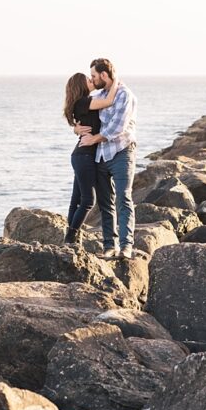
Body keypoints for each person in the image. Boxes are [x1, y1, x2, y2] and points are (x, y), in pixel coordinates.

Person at [75, 57, 138, 260]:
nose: (92, 80)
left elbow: (117, 127)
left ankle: (126, 246)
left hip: (121, 151)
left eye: (94, 75)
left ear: (104, 75)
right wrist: (76, 128)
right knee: (104, 203)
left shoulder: (124, 95)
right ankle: (109, 247)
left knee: (123, 197)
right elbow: (84, 118)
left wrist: (94, 138)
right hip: (101, 153)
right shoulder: (101, 95)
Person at [62, 71, 119, 247]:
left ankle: (70, 238)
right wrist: (115, 80)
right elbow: (109, 101)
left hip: (81, 155)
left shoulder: (81, 103)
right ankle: (71, 237)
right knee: (88, 201)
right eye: (88, 79)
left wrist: (75, 130)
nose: (91, 80)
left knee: (76, 200)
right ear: (81, 85)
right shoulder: (85, 102)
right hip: (84, 156)